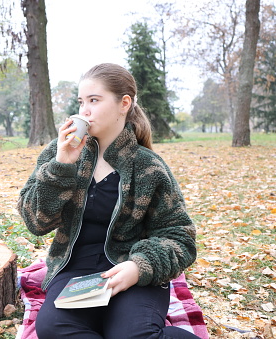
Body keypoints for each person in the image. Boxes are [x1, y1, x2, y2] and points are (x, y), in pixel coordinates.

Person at [17, 63, 200, 339]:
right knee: (53, 329)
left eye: (94, 100)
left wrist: (139, 267)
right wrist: (61, 166)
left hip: (133, 274)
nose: (84, 111)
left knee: (134, 335)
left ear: (123, 104)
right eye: (81, 102)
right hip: (75, 273)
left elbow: (180, 237)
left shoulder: (148, 167)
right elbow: (36, 222)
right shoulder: (59, 154)